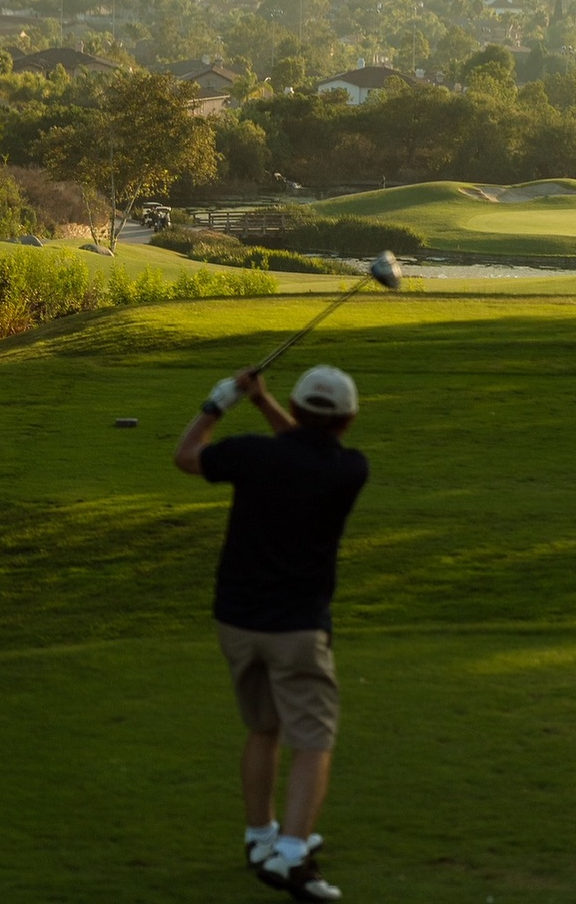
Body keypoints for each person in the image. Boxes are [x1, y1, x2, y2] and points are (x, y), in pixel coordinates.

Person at [174, 364, 369, 902]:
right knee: (313, 739)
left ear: (298, 407)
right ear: (349, 420)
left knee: (264, 729)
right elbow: (307, 449)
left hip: (235, 619)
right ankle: (289, 854)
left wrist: (222, 401)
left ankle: (260, 838)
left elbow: (187, 455)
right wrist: (263, 403)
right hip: (297, 628)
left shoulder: (254, 455)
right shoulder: (350, 468)